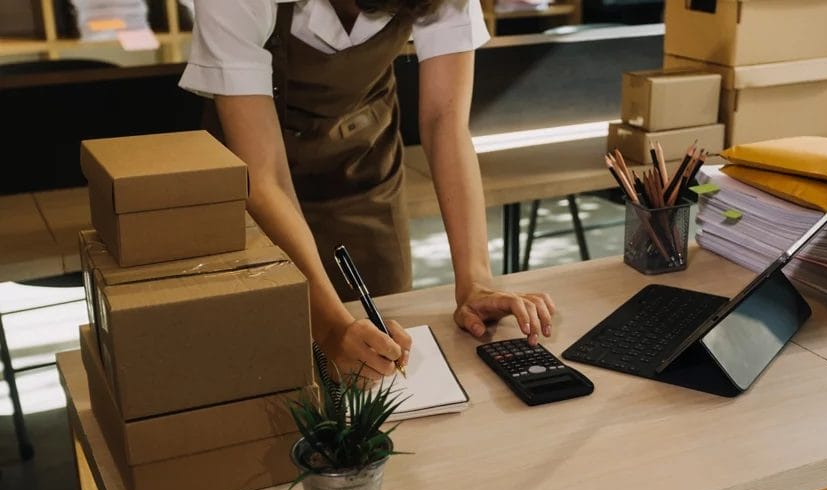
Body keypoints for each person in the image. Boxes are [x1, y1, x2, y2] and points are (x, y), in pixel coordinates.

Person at [180, 0, 556, 380]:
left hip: (364, 177)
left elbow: (445, 122)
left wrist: (476, 284)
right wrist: (330, 327)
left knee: (380, 362)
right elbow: (265, 179)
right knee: (262, 367)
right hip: (248, 193)